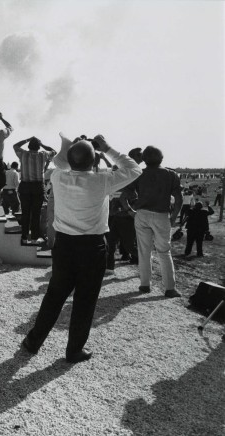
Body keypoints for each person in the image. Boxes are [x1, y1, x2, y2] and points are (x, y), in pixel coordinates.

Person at [21, 133, 141, 363]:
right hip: (92, 246)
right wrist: (107, 148)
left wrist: (74, 150)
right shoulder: (102, 180)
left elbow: (60, 163)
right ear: (94, 160)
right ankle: (74, 350)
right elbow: (134, 169)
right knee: (85, 301)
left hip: (64, 245)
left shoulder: (58, 177)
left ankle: (33, 341)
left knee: (54, 295)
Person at [130, 146, 182, 298]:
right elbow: (178, 198)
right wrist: (174, 217)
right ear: (161, 158)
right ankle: (170, 288)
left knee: (144, 251)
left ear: (144, 160)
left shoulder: (139, 174)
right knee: (164, 251)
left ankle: (145, 284)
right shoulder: (170, 174)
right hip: (161, 214)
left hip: (142, 214)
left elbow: (127, 193)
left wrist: (130, 210)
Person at [13, 136, 57, 244]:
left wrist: (27, 139)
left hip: (25, 186)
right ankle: (34, 238)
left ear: (29, 146)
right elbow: (54, 151)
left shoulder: (23, 154)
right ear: (38, 146)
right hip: (37, 187)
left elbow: (15, 146)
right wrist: (42, 144)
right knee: (36, 213)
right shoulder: (43, 155)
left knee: (25, 212)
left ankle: (24, 238)